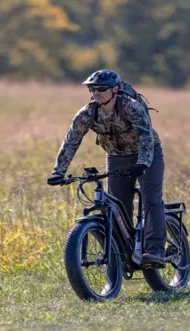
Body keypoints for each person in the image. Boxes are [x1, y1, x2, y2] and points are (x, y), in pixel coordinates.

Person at [47, 69, 166, 266]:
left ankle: (155, 250)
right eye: (92, 89)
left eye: (102, 88)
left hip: (147, 154)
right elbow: (71, 141)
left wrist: (143, 163)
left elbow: (146, 137)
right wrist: (58, 171)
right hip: (117, 156)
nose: (96, 92)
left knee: (151, 199)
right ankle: (122, 253)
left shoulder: (131, 107)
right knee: (118, 204)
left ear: (115, 89)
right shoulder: (87, 113)